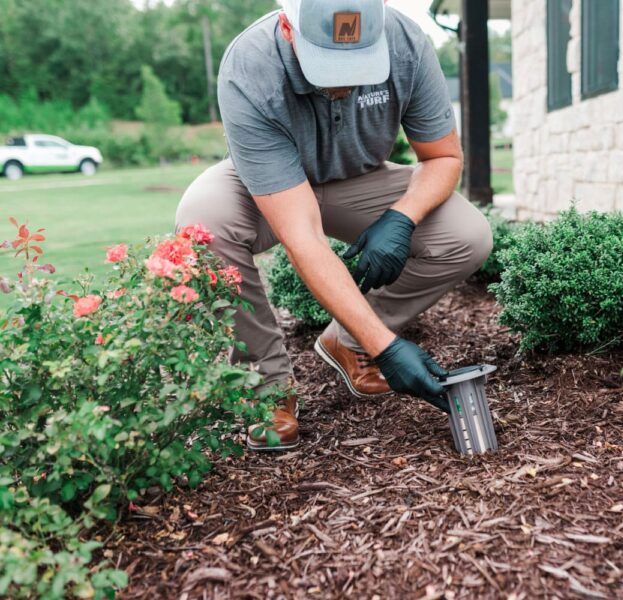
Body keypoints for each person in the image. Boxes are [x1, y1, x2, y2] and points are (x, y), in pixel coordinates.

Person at [175, 0, 492, 451]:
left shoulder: (405, 44)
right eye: (329, 62)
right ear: (288, 28)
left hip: (360, 177)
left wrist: (402, 218)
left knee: (467, 236)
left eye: (356, 62)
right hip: (271, 187)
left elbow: (443, 157)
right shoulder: (249, 66)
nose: (344, 80)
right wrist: (388, 348)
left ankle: (346, 342)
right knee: (204, 223)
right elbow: (301, 235)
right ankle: (268, 386)